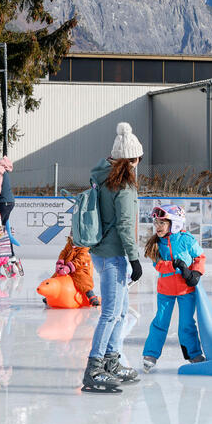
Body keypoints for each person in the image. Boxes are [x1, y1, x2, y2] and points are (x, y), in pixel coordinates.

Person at [82, 122, 143, 393]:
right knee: (110, 314)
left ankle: (111, 361)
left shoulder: (101, 177)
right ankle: (94, 369)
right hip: (115, 255)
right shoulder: (124, 186)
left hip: (100, 252)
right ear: (132, 159)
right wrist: (135, 259)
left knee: (119, 313)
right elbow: (125, 225)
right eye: (139, 158)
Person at [141, 204, 206, 371]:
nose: (158, 227)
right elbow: (158, 265)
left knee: (186, 324)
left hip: (186, 290)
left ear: (175, 223)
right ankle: (150, 354)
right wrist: (175, 265)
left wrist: (195, 273)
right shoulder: (157, 243)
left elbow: (200, 257)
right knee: (160, 322)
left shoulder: (186, 240)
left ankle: (194, 354)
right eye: (156, 223)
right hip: (165, 290)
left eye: (162, 223)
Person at [53, 235, 98, 307]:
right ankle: (52, 294)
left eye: (75, 236)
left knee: (82, 280)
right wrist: (60, 263)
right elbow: (63, 253)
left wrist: (70, 267)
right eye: (71, 236)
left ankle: (91, 295)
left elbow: (81, 259)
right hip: (66, 267)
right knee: (55, 277)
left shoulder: (85, 246)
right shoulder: (69, 244)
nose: (72, 238)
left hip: (80, 268)